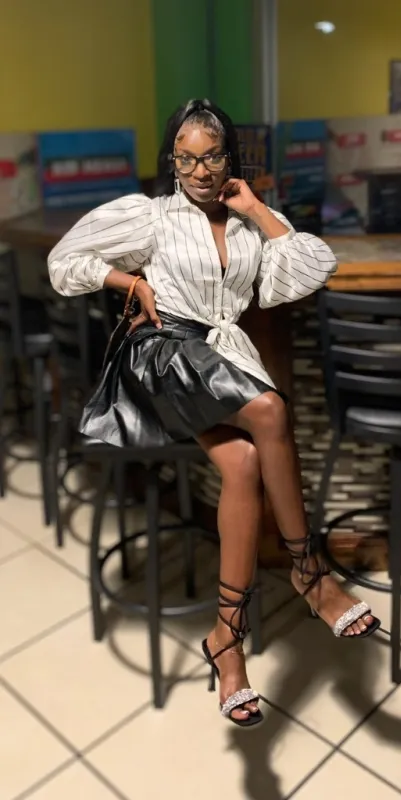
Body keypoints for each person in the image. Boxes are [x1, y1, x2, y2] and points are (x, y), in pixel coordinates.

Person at [48, 99, 380, 728]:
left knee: (246, 462)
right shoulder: (149, 216)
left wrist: (255, 208)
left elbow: (314, 267)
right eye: (186, 158)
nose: (199, 170)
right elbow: (63, 263)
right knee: (270, 411)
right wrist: (130, 283)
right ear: (172, 160)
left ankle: (226, 640)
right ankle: (309, 575)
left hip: (217, 359)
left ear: (231, 157)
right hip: (163, 353)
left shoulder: (250, 223)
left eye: (211, 156)